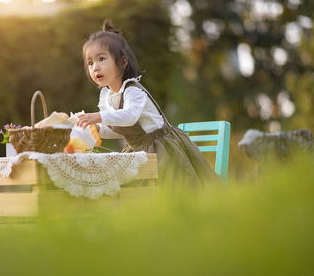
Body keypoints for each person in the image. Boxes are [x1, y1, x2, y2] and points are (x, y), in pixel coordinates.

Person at [77, 20, 217, 186]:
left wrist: (99, 117)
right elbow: (122, 129)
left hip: (161, 148)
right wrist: (99, 130)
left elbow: (129, 117)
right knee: (126, 189)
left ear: (122, 62)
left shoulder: (132, 90)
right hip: (137, 150)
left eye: (101, 59)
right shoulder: (105, 95)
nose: (95, 68)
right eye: (90, 63)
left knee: (170, 189)